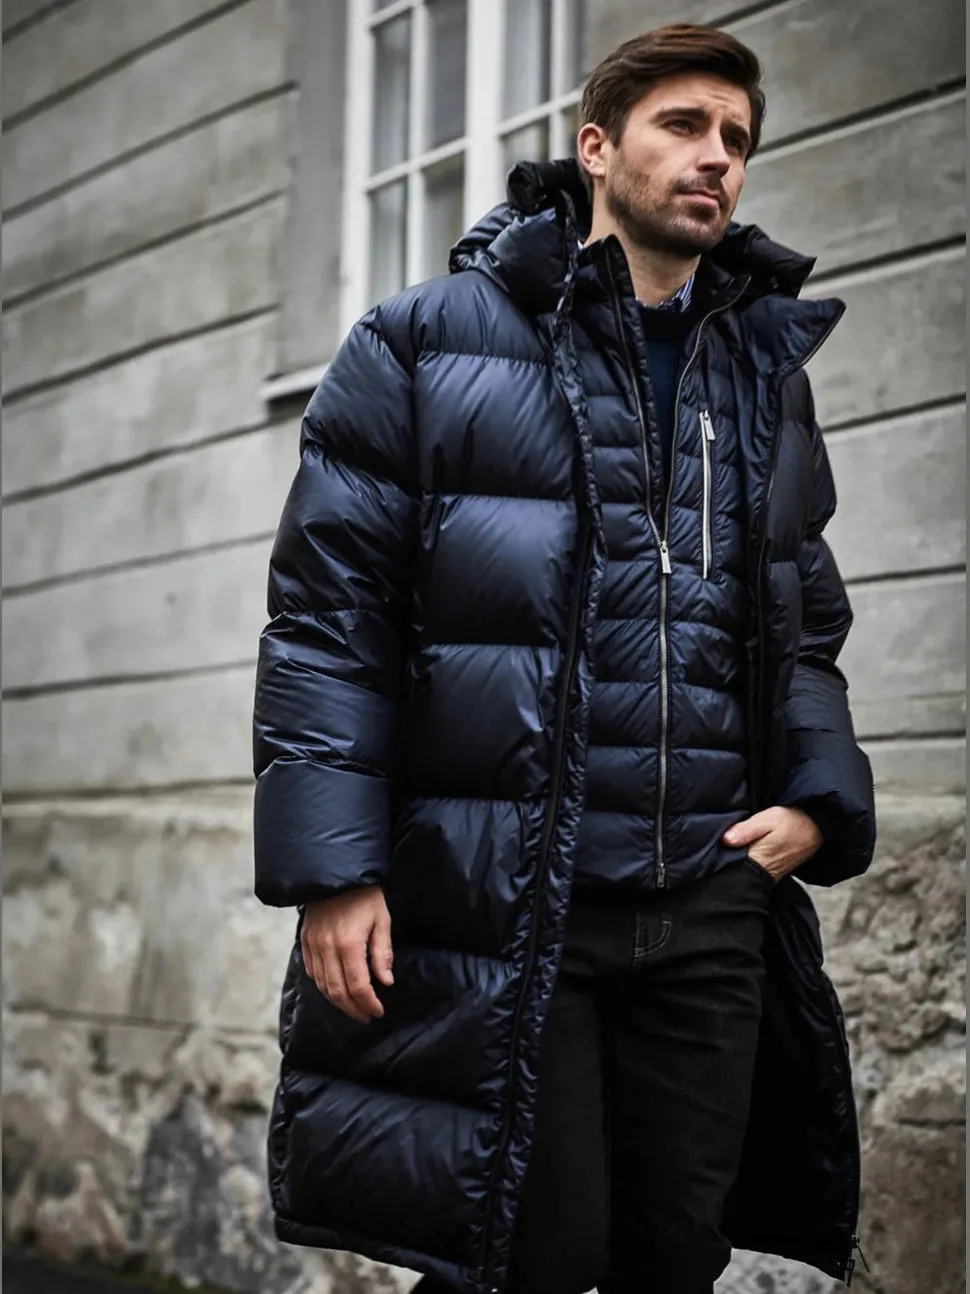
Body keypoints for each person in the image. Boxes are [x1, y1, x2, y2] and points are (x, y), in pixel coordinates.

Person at [252, 23, 876, 1294]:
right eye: (683, 125)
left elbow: (801, 616)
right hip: (519, 899)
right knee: (526, 1260)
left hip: (710, 900)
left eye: (737, 138)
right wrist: (334, 871)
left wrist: (819, 796)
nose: (717, 158)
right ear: (596, 148)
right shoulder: (423, 343)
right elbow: (330, 621)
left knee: (675, 1258)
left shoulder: (762, 368)